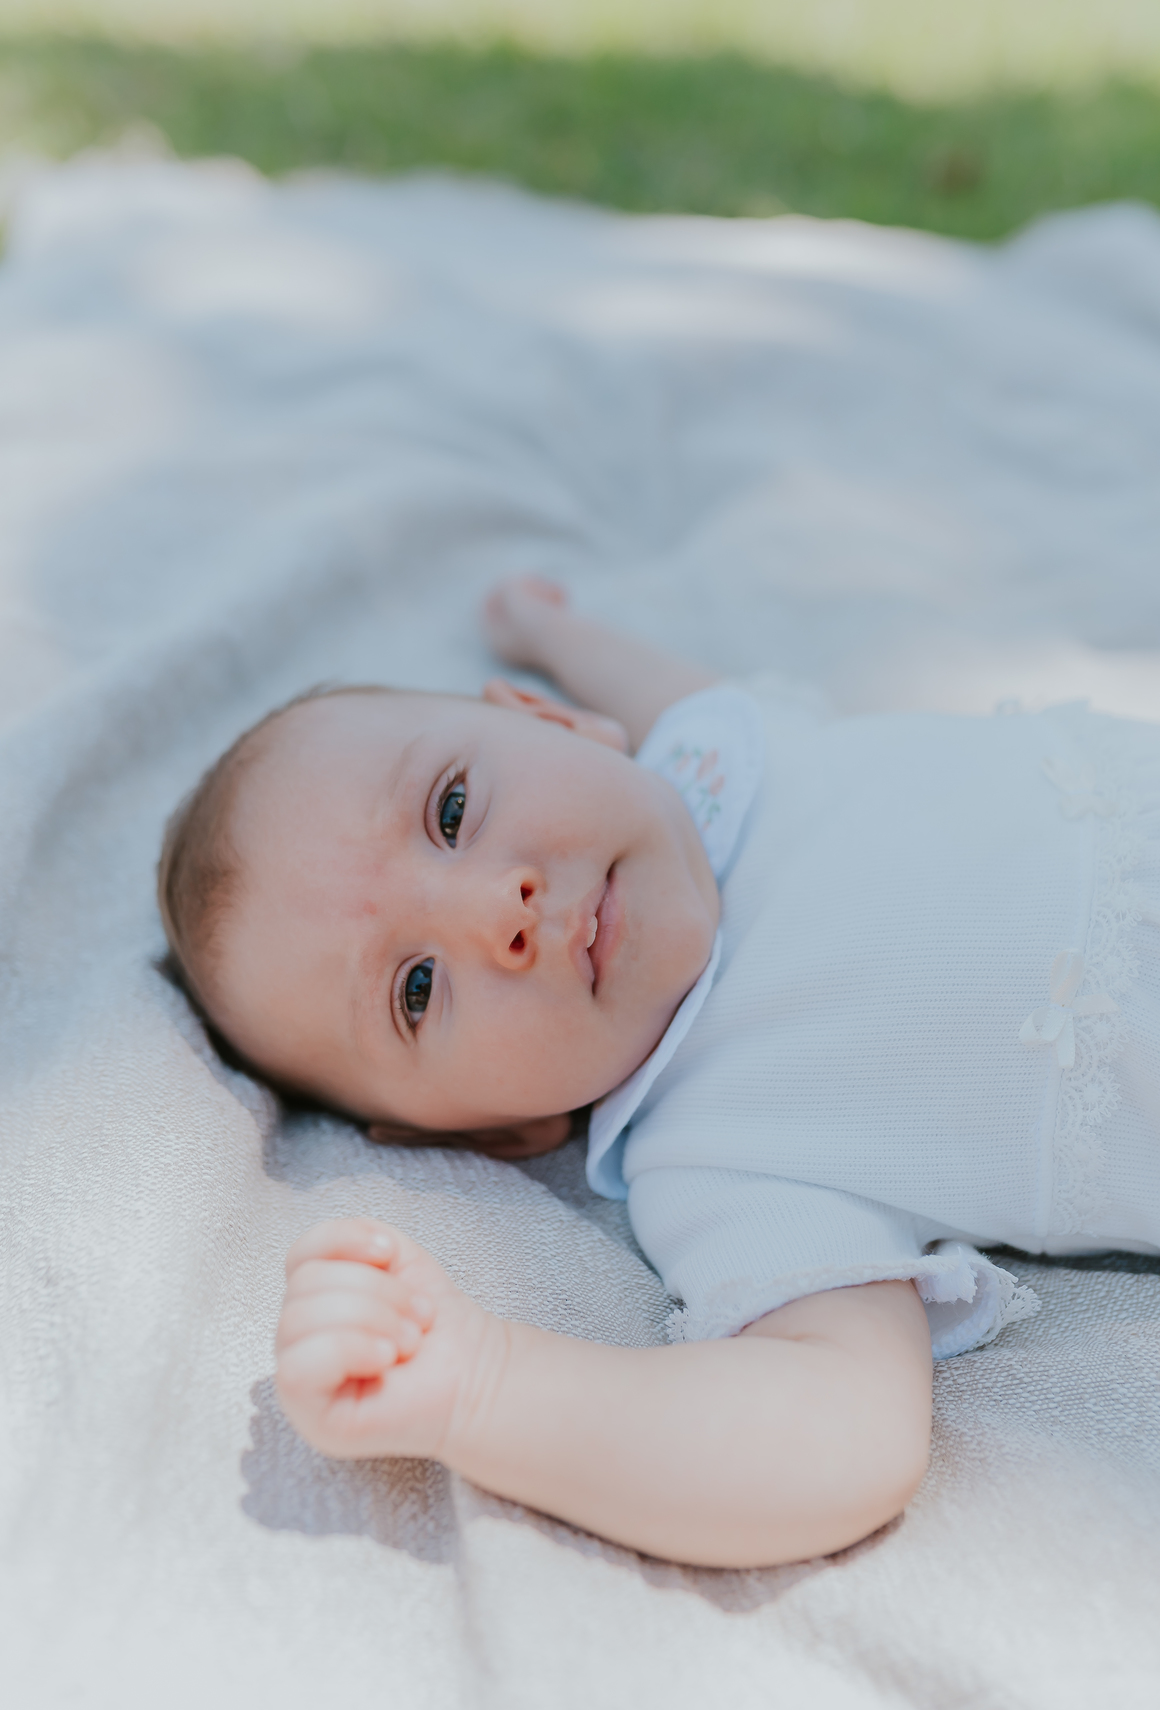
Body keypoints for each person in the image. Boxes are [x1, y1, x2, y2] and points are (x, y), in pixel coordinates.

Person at [157, 576, 1160, 1568]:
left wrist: (555, 631)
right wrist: (482, 1386)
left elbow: (660, 696)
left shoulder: (726, 757)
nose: (495, 909)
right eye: (416, 990)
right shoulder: (722, 1158)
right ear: (493, 1133)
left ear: (557, 722)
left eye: (453, 808)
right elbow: (836, 1438)